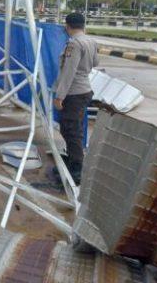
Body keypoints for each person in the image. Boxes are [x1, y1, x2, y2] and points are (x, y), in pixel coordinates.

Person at [52, 12, 98, 184]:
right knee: (70, 128)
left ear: (67, 26)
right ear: (83, 25)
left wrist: (59, 97)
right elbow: (96, 63)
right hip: (85, 90)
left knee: (72, 130)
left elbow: (68, 72)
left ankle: (77, 168)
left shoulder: (74, 44)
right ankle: (73, 160)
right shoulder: (91, 41)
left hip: (74, 93)